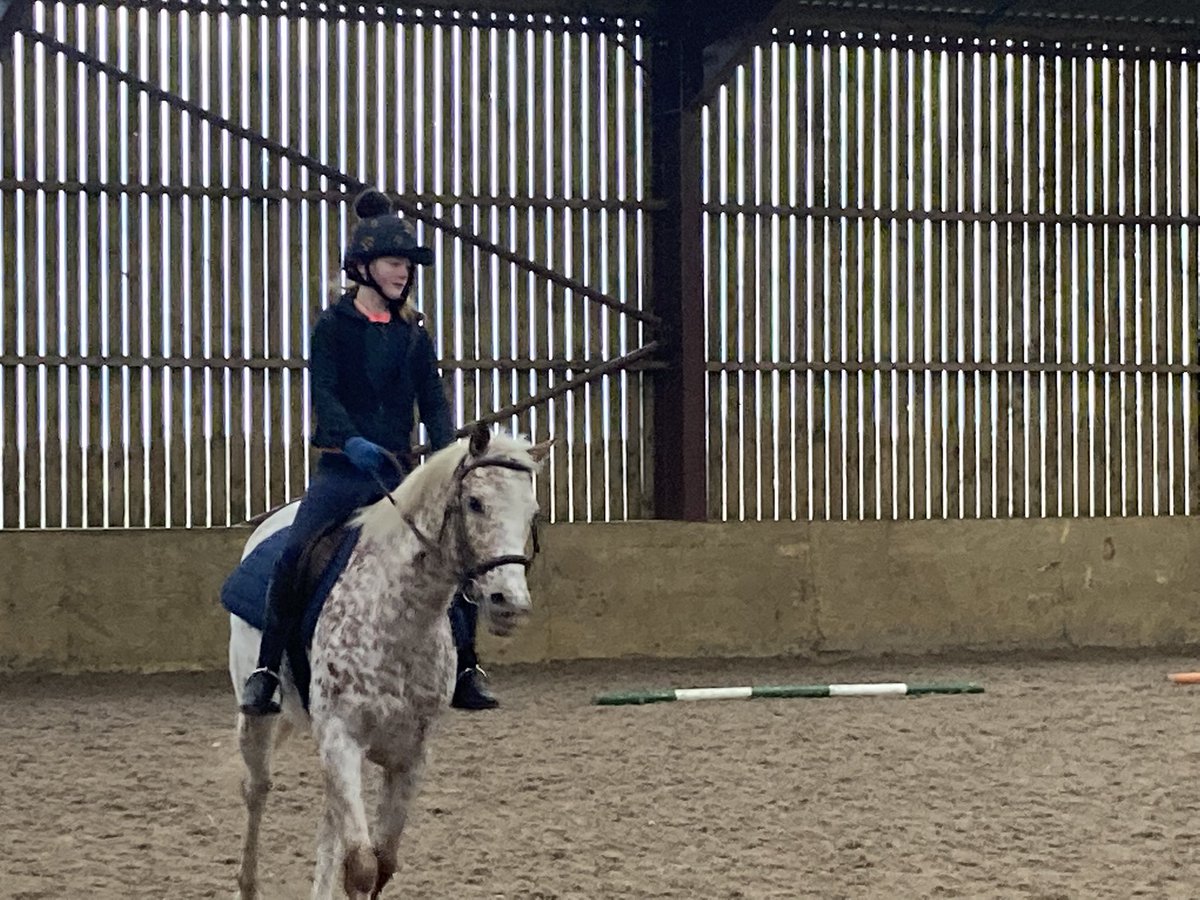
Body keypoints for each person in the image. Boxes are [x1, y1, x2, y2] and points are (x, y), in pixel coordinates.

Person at [239, 188, 499, 716]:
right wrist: (349, 440)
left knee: (451, 554)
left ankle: (466, 667)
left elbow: (433, 399)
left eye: (407, 264)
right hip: (344, 470)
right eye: (394, 262)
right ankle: (266, 672)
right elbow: (325, 394)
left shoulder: (414, 334)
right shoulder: (332, 327)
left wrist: (446, 452)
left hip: (400, 472)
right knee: (294, 554)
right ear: (363, 268)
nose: (403, 272)